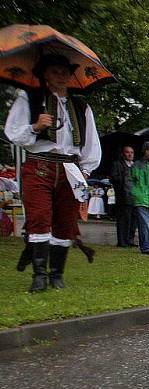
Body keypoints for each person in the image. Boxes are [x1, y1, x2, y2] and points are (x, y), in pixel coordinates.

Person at [3, 53, 101, 291]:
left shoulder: (81, 106)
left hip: (70, 168)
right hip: (39, 164)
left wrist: (85, 171)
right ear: (45, 74)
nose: (61, 76)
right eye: (55, 71)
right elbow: (13, 132)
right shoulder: (30, 98)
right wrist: (36, 127)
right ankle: (39, 275)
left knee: (65, 221)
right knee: (39, 218)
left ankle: (57, 274)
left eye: (65, 72)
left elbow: (91, 143)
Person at [110, 145, 136, 247]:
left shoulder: (135, 166)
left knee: (133, 220)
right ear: (123, 153)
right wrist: (124, 175)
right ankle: (122, 241)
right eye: (127, 152)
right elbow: (113, 178)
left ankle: (130, 239)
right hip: (123, 196)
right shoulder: (117, 164)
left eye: (131, 152)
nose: (130, 154)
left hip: (134, 196)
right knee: (123, 219)